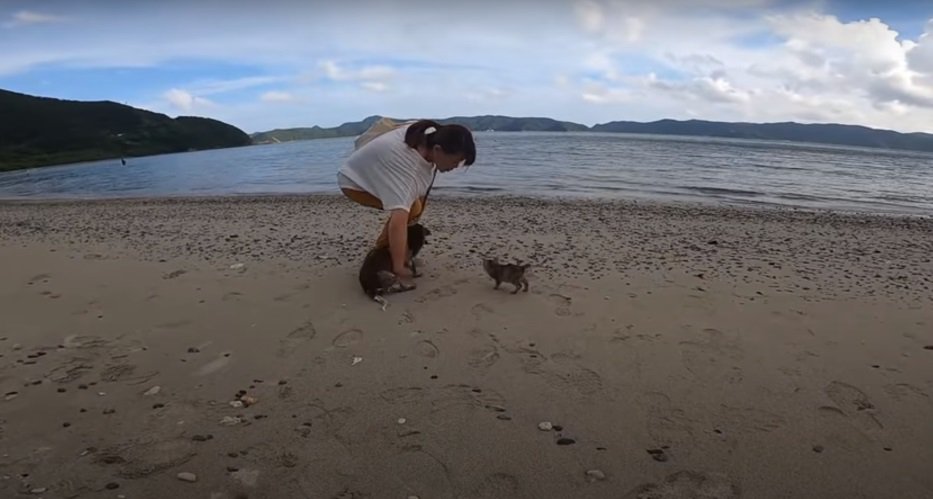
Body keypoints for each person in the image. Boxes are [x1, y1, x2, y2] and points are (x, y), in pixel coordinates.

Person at [338, 119, 476, 290]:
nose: (456, 167)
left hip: (370, 167)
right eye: (456, 161)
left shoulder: (428, 133)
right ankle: (386, 259)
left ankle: (390, 253)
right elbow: (398, 222)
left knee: (414, 207)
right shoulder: (408, 169)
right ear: (438, 149)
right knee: (410, 210)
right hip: (355, 182)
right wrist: (400, 267)